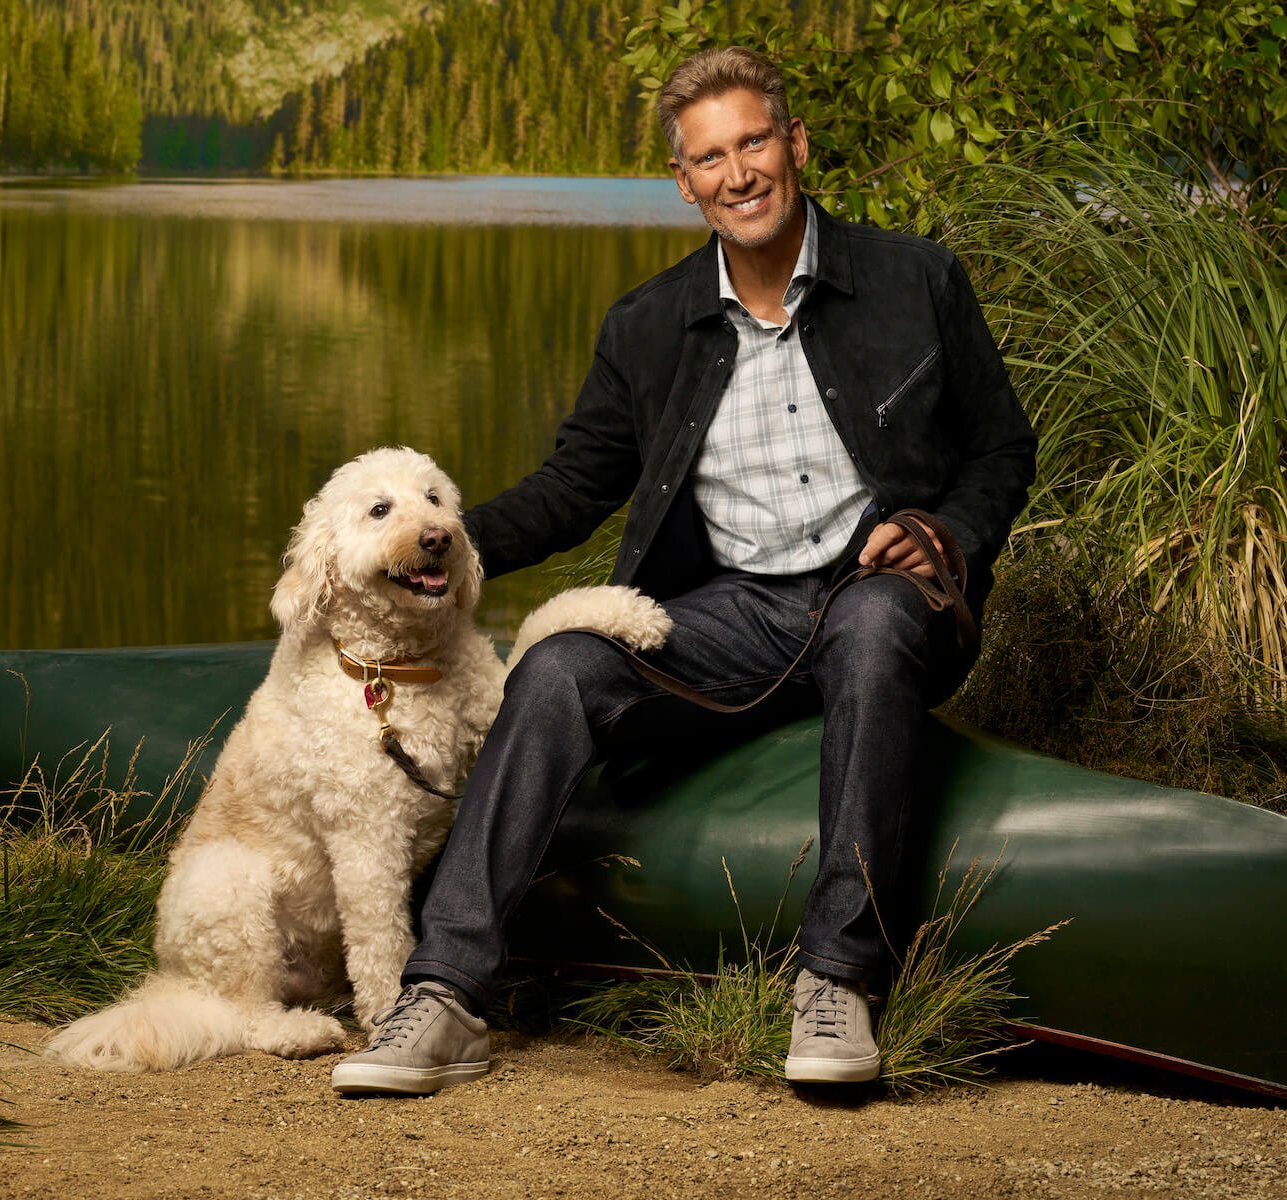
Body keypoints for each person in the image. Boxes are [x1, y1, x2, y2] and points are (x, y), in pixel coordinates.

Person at [329, 45, 1036, 1094]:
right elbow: (574, 486)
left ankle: (838, 979)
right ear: (684, 183)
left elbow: (1003, 450)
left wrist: (944, 534)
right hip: (729, 619)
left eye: (754, 142)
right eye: (710, 159)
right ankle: (444, 996)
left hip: (878, 595)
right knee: (563, 663)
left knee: (880, 624)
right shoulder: (648, 325)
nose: (738, 174)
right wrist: (422, 542)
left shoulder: (914, 280)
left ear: (794, 145)